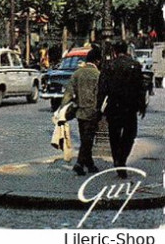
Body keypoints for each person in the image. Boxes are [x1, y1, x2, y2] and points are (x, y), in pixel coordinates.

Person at [99, 40, 147, 178]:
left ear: (114, 51)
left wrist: (99, 107)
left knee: (114, 135)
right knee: (130, 134)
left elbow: (102, 88)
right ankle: (122, 159)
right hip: (129, 106)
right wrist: (142, 106)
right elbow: (140, 88)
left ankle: (117, 159)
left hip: (113, 106)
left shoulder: (109, 66)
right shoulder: (135, 65)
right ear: (126, 50)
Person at [61, 44, 101, 176]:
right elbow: (100, 95)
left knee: (85, 138)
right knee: (87, 140)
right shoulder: (98, 75)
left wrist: (62, 110)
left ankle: (90, 164)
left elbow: (68, 93)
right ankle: (79, 164)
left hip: (80, 112)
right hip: (92, 111)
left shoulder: (77, 74)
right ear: (97, 61)